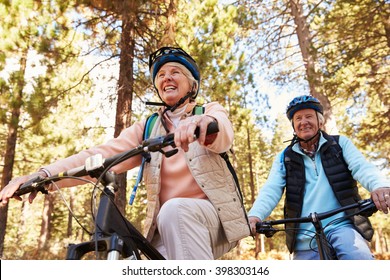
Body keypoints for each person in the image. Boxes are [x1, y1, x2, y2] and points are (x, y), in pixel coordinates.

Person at [0, 46, 250, 260]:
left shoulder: (206, 111)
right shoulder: (149, 128)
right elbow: (99, 154)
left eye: (175, 72)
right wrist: (42, 176)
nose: (167, 78)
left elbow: (223, 132)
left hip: (214, 221)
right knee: (132, 260)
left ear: (192, 84)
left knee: (175, 211)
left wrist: (203, 124)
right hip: (167, 227)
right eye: (161, 75)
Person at [248, 95, 390, 260]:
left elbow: (362, 167)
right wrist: (255, 215)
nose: (303, 122)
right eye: (298, 118)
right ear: (293, 126)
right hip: (304, 236)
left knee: (359, 259)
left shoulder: (339, 144)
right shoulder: (285, 157)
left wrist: (379, 186)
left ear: (320, 121)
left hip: (343, 226)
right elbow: (271, 189)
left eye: (309, 116)